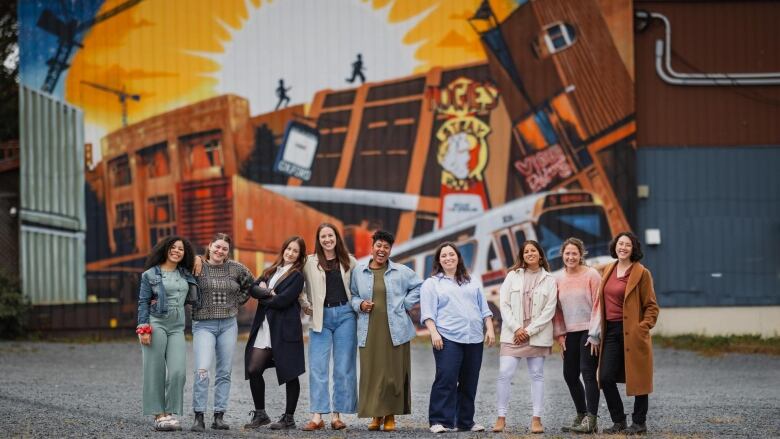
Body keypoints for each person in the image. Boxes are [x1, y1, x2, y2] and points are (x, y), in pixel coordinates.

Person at [351, 230, 423, 431]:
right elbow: (353, 296)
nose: (382, 250)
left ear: (390, 250)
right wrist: (360, 304)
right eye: (379, 245)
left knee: (392, 373)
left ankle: (390, 415)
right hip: (369, 329)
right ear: (372, 247)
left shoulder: (401, 271)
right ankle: (376, 415)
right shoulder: (359, 271)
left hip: (396, 329)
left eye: (386, 247)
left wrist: (405, 304)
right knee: (372, 372)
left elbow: (419, 286)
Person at [420, 242, 495, 434]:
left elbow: (484, 308)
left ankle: (465, 421)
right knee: (446, 378)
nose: (448, 258)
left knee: (470, 381)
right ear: (438, 260)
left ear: (458, 257)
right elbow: (428, 312)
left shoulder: (472, 280)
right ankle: (439, 420)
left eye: (451, 254)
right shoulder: (432, 283)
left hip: (474, 338)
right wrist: (434, 333)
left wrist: (490, 329)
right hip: (447, 337)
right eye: (443, 255)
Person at [596, 232, 659, 435]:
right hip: (611, 331)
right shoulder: (609, 269)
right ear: (615, 246)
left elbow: (651, 306)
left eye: (627, 245)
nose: (622, 247)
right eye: (620, 244)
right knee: (605, 377)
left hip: (633, 331)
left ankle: (639, 423)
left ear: (634, 249)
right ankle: (619, 420)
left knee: (639, 378)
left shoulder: (642, 273)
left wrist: (642, 327)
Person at [190, 233, 254, 431]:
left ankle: (219, 416)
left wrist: (237, 301)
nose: (220, 251)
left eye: (224, 249)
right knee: (202, 370)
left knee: (224, 371)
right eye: (217, 247)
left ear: (228, 252)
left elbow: (250, 284)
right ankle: (198, 416)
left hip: (228, 324)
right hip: (203, 325)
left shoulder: (236, 268)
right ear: (209, 246)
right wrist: (196, 258)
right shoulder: (197, 266)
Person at [493, 240, 558, 434]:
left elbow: (549, 310)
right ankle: (501, 417)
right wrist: (517, 329)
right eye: (526, 251)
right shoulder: (512, 276)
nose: (529, 253)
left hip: (536, 335)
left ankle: (536, 419)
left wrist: (528, 331)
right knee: (504, 374)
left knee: (537, 375)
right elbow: (503, 304)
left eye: (533, 250)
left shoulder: (549, 279)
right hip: (513, 335)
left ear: (540, 254)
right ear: (522, 255)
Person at [243, 236, 306, 430]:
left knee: (290, 372)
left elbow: (283, 301)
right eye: (288, 249)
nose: (290, 253)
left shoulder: (297, 276)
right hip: (265, 328)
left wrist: (266, 294)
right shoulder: (271, 270)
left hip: (285, 329)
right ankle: (261, 414)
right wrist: (268, 293)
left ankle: (289, 418)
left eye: (295, 251)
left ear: (299, 255)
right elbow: (252, 289)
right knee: (253, 369)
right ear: (284, 249)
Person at [137, 236, 199, 431]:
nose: (177, 251)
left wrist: (197, 258)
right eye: (173, 247)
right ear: (165, 249)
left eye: (181, 249)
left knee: (178, 371)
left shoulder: (186, 273)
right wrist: (143, 328)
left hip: (177, 327)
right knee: (154, 370)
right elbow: (143, 302)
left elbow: (205, 261)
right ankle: (159, 415)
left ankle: (170, 412)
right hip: (156, 323)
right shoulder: (149, 275)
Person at [300, 223, 358, 431]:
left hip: (345, 316)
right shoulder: (309, 261)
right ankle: (317, 416)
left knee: (343, 367)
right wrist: (305, 304)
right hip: (320, 318)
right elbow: (297, 284)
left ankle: (336, 416)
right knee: (318, 367)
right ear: (319, 239)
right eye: (323, 236)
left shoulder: (349, 260)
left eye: (330, 235)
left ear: (336, 237)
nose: (327, 239)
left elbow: (361, 286)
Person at [553, 238, 603, 433]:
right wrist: (560, 335)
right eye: (567, 253)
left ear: (581, 255)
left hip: (589, 331)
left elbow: (599, 305)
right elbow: (556, 310)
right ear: (562, 255)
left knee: (588, 373)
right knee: (570, 375)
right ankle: (581, 414)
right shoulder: (558, 279)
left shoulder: (592, 275)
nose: (571, 257)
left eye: (575, 253)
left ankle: (592, 420)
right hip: (570, 333)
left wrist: (595, 334)